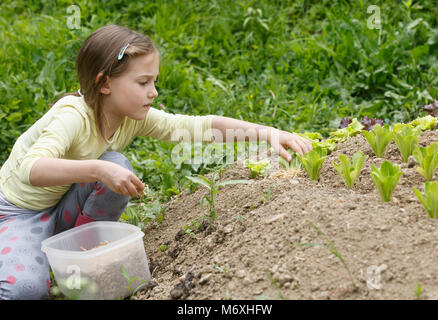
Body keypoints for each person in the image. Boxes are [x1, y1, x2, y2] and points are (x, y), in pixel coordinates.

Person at [0, 24, 312, 300]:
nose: (154, 92)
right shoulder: (73, 115)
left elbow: (196, 127)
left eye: (154, 81)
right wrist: (99, 168)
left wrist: (265, 132)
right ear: (104, 83)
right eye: (143, 82)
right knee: (24, 291)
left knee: (116, 164)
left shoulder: (130, 117)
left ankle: (80, 255)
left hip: (63, 202)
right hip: (19, 213)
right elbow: (32, 169)